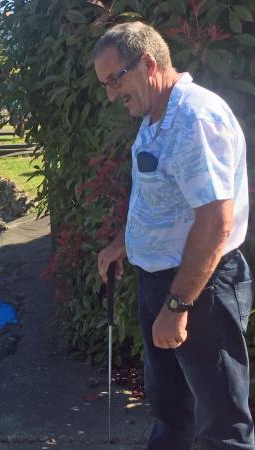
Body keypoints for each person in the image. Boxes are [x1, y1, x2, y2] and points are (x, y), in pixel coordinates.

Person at [94, 22, 252, 450]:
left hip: (200, 289)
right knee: (170, 411)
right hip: (161, 283)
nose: (110, 95)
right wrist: (123, 244)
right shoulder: (154, 115)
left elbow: (215, 222)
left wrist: (178, 306)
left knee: (223, 426)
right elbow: (165, 200)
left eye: (114, 80)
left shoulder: (195, 117)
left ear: (147, 64)